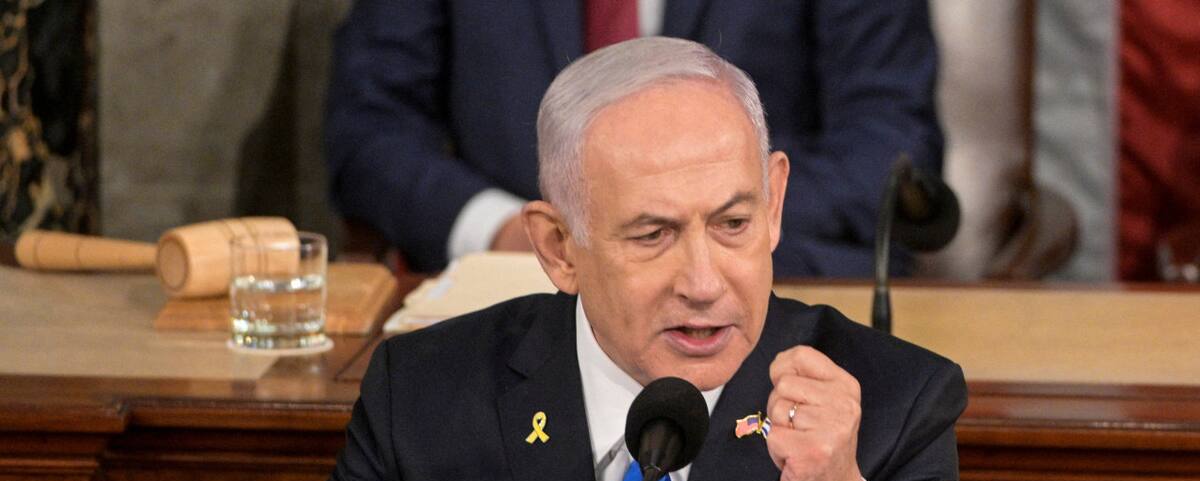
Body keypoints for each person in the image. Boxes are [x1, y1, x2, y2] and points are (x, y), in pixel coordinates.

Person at [230, 38, 992, 481]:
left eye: (732, 222)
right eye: (652, 235)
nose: (703, 283)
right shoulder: (430, 393)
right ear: (559, 247)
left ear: (776, 205)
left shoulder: (890, 400)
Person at [325, 0, 943, 278]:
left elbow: (889, 146)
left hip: (758, 293)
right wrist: (503, 230)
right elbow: (369, 128)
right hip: (525, 289)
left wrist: (700, 227)